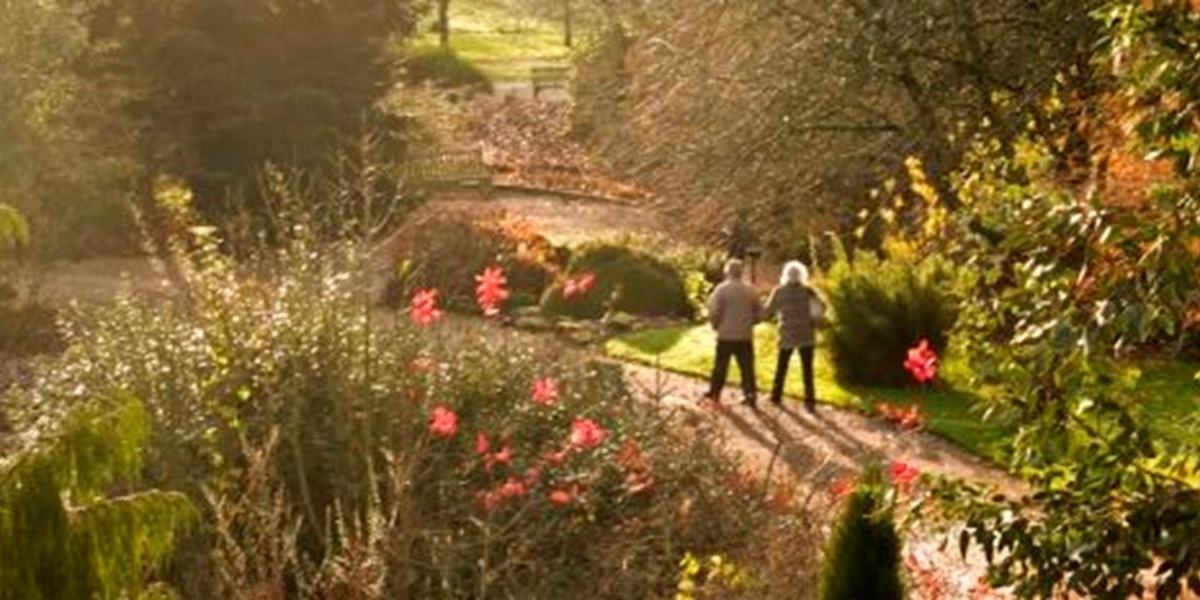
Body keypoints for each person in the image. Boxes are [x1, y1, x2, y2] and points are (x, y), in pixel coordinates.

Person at [763, 260, 824, 411]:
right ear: (802, 275)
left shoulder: (779, 291)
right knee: (807, 369)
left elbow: (768, 310)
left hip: (787, 332)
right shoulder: (809, 291)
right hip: (806, 333)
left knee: (782, 366)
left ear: (785, 275)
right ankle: (810, 401)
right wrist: (814, 321)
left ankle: (776, 396)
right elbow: (822, 307)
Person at [705, 259, 762, 407]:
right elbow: (759, 312)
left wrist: (715, 325)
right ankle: (750, 394)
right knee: (747, 367)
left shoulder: (721, 289)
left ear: (727, 272)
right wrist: (751, 322)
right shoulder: (751, 290)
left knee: (720, 366)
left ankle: (715, 392)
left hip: (725, 334)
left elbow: (714, 310)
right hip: (744, 335)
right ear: (741, 272)